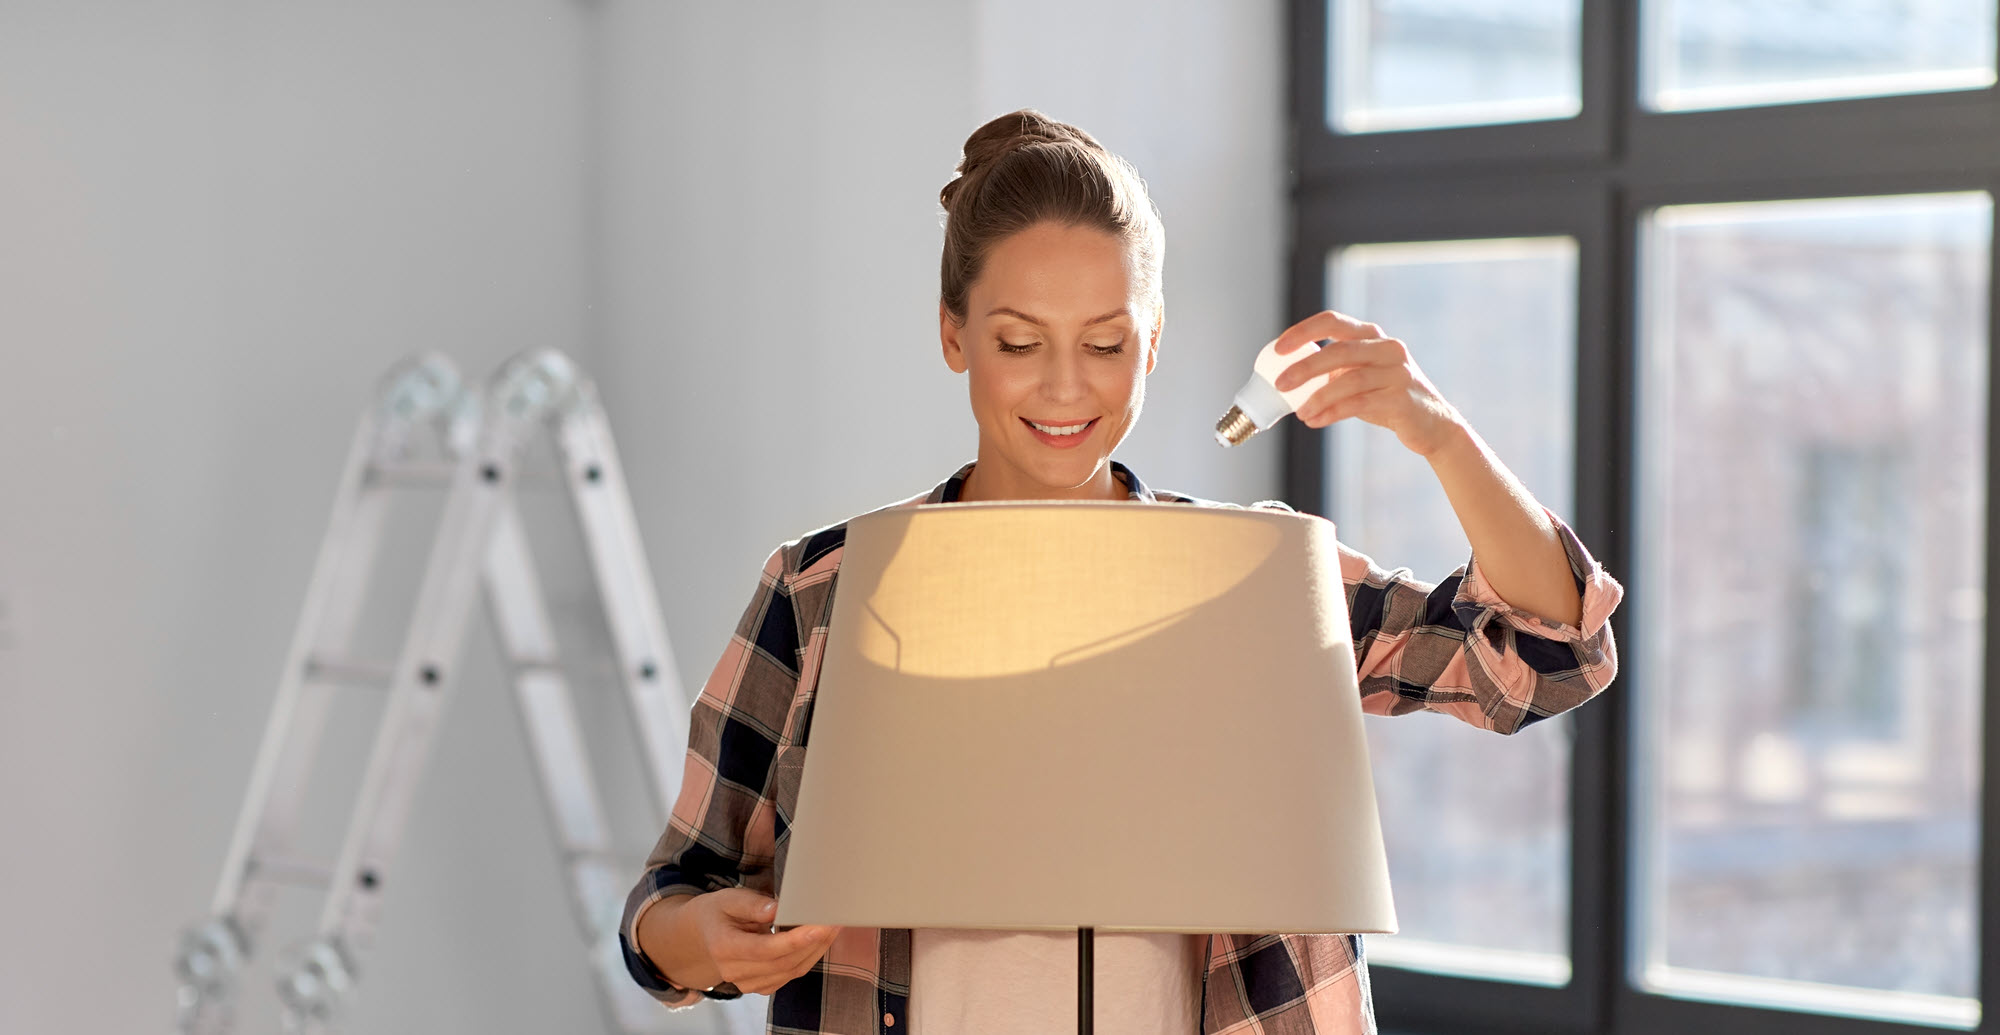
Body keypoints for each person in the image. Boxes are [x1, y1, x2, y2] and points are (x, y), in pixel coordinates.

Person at [617, 108, 1624, 1035]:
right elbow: (667, 904)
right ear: (953, 334)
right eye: (1018, 342)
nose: (1064, 386)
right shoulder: (823, 590)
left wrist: (1436, 433)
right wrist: (702, 940)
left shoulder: (1250, 583)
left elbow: (1542, 659)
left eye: (1103, 343)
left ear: (1149, 345)